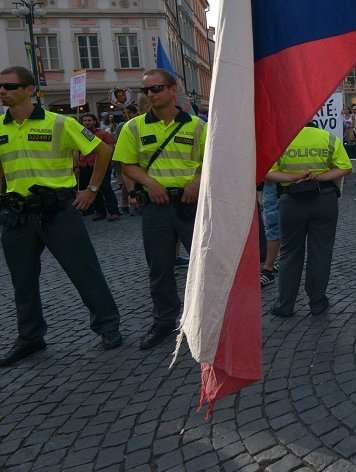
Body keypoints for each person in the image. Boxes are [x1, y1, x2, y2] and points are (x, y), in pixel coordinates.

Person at [0, 66, 122, 366]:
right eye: (0, 86)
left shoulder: (58, 122)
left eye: (9, 86)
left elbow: (103, 150)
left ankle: (108, 325)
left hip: (57, 210)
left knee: (84, 271)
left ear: (29, 90)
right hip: (18, 213)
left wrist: (92, 189)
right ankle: (30, 337)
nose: (2, 91)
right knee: (22, 281)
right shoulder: (0, 127)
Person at [114, 69, 207, 350]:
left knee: (205, 264)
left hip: (191, 204)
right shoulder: (134, 127)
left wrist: (196, 181)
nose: (151, 95)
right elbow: (126, 164)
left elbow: (212, 159)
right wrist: (149, 184)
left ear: (172, 89)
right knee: (160, 267)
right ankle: (164, 320)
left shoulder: (197, 125)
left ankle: (208, 318)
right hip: (156, 206)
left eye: (156, 89)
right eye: (146, 91)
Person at [265, 121, 352, 316]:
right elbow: (345, 168)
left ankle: (285, 305)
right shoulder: (327, 138)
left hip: (291, 200)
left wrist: (293, 177)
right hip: (324, 198)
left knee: (289, 253)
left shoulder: (281, 140)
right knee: (320, 252)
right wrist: (319, 177)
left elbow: (267, 173)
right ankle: (317, 303)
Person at [77, 112, 123, 221]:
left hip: (100, 164)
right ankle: (100, 211)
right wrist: (76, 165)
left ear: (95, 121)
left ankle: (113, 211)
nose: (87, 122)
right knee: (91, 188)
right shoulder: (80, 134)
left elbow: (109, 150)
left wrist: (107, 162)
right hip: (85, 164)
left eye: (89, 120)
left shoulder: (103, 134)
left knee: (105, 187)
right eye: (85, 120)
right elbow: (76, 150)